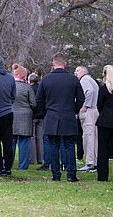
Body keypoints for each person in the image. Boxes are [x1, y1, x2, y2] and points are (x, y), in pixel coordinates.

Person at [35, 53, 85, 182]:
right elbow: (80, 98)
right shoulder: (73, 79)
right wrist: (73, 109)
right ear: (65, 63)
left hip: (51, 115)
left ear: (53, 63)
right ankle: (71, 174)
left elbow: (39, 100)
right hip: (68, 115)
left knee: (53, 146)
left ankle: (56, 174)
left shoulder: (46, 79)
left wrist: (45, 112)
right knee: (69, 146)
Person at [11, 64, 36, 170]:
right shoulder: (27, 87)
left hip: (12, 115)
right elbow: (33, 103)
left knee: (11, 141)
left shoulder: (10, 86)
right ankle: (23, 165)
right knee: (24, 142)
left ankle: (8, 163)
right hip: (25, 117)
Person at [75, 66, 99, 172]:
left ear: (83, 71)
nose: (75, 73)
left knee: (88, 137)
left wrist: (85, 106)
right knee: (93, 137)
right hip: (94, 110)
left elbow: (89, 92)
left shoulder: (84, 80)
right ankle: (94, 162)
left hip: (89, 111)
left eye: (77, 70)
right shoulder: (91, 80)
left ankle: (90, 163)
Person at [28, 73, 44, 167]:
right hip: (41, 115)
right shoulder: (41, 88)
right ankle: (41, 158)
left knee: (32, 137)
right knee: (40, 138)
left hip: (32, 115)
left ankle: (33, 159)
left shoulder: (29, 89)